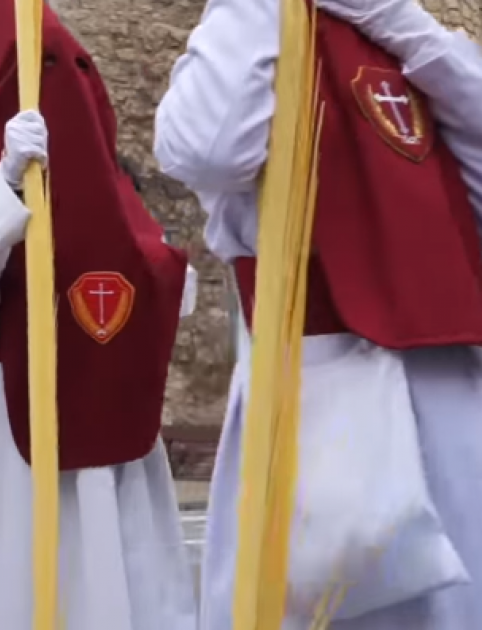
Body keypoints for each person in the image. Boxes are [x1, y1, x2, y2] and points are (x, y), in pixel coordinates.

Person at [154, 0, 482, 627]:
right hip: (320, 384)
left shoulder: (409, 48)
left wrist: (401, 22)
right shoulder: (266, 34)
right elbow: (209, 148)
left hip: (449, 388)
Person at [0, 0, 200, 627]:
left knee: (106, 577)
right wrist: (5, 182)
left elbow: (169, 295)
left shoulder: (118, 188)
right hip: (1, 418)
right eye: (45, 67)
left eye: (75, 69)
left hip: (103, 408)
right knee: (8, 578)